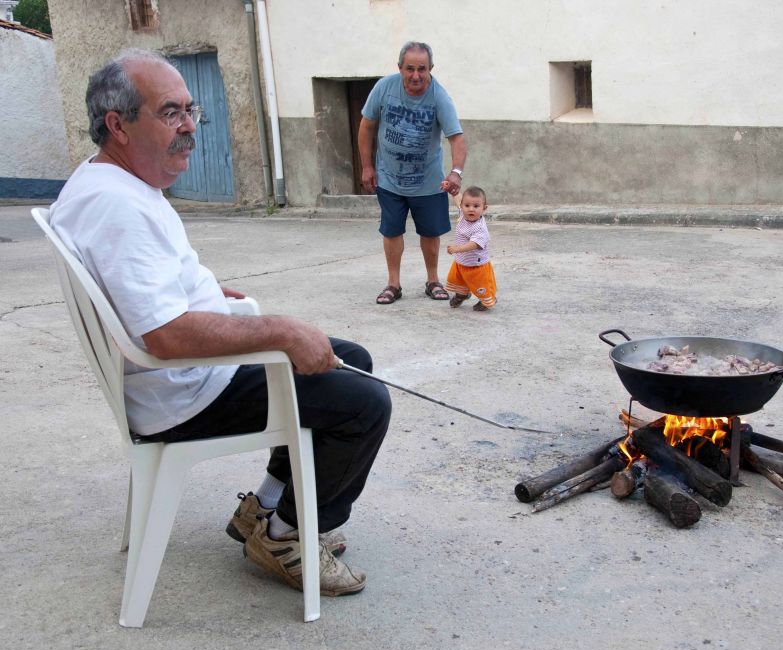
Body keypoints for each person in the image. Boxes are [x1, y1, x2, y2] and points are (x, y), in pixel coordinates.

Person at [49, 49, 391, 597]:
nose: (188, 127)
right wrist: (279, 328)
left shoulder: (106, 181)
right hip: (183, 392)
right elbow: (168, 336)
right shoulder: (118, 207)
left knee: (351, 360)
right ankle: (287, 537)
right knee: (364, 402)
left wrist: (204, 290)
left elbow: (148, 287)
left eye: (191, 110)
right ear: (117, 124)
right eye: (169, 113)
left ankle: (265, 506)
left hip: (173, 380)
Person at [358, 41, 468, 305]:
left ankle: (433, 281)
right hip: (389, 177)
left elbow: (456, 138)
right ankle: (393, 284)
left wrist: (455, 172)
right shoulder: (384, 88)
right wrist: (367, 166)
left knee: (430, 232)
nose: (416, 75)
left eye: (422, 69)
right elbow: (366, 127)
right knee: (391, 230)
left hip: (428, 181)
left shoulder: (439, 97)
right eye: (410, 69)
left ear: (430, 68)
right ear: (400, 68)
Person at [445, 186, 497, 311]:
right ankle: (461, 294)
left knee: (481, 286)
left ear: (484, 208)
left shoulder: (480, 228)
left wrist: (457, 249)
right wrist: (452, 190)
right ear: (462, 207)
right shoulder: (462, 215)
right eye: (467, 205)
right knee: (457, 280)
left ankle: (487, 300)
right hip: (461, 261)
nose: (471, 209)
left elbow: (473, 244)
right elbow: (458, 199)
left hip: (477, 266)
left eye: (476, 206)